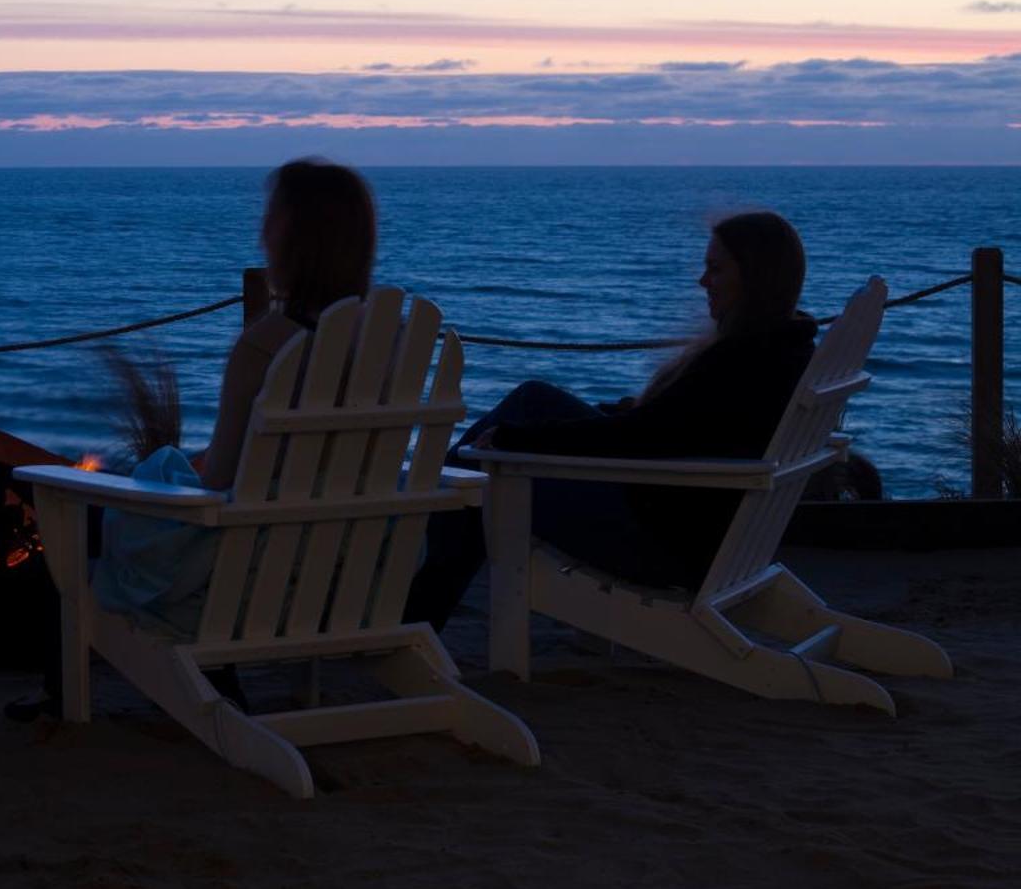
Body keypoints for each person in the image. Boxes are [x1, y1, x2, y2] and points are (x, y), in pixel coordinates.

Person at [402, 210, 817, 631]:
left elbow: (640, 438)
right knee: (533, 400)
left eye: (715, 268)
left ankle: (418, 599)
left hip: (659, 540)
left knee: (484, 477)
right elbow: (677, 426)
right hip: (699, 523)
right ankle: (425, 570)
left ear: (756, 276)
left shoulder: (742, 358)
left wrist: (517, 440)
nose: (702, 281)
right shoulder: (784, 346)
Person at [91, 158, 380, 637]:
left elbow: (219, 484)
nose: (260, 230)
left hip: (248, 581)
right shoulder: (387, 341)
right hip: (351, 574)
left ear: (295, 238)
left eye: (270, 217)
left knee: (93, 514)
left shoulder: (264, 345)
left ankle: (62, 691)